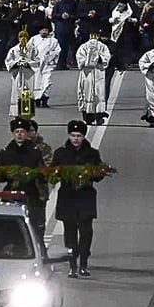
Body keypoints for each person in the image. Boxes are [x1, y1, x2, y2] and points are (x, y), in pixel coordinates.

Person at [54, 119, 104, 278]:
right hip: (67, 197)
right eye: (73, 135)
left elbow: (98, 176)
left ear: (84, 136)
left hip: (85, 197)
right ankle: (72, 265)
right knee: (69, 233)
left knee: (86, 232)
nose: (75, 139)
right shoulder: (60, 153)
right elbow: (53, 173)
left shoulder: (92, 153)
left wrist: (94, 174)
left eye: (79, 136)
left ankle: (83, 263)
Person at [0, 117, 49, 243]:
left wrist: (33, 176)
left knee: (33, 230)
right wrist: (9, 175)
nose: (19, 134)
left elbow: (42, 174)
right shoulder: (5, 152)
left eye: (22, 131)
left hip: (30, 195)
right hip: (11, 195)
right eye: (17, 132)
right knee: (11, 230)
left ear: (26, 134)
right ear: (13, 133)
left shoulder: (35, 152)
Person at [75, 32, 110, 125]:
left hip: (98, 73)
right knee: (86, 93)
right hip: (87, 74)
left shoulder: (102, 46)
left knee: (99, 94)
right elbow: (80, 59)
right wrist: (88, 60)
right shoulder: (84, 46)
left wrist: (99, 59)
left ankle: (99, 116)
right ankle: (88, 117)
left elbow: (106, 57)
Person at [5, 31, 37, 116]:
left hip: (28, 75)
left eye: (25, 37)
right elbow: (8, 61)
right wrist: (16, 63)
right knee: (16, 92)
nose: (22, 39)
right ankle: (16, 113)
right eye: (21, 37)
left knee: (28, 92)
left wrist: (28, 63)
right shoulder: (13, 50)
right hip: (17, 74)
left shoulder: (32, 49)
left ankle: (27, 113)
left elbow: (37, 60)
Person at [30, 26, 61, 108]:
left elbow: (57, 51)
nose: (44, 32)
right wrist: (33, 57)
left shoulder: (53, 41)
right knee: (37, 82)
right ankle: (36, 100)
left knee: (46, 82)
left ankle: (44, 100)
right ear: (39, 31)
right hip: (36, 65)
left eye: (46, 30)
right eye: (43, 30)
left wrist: (50, 56)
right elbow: (28, 50)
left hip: (47, 65)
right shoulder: (34, 39)